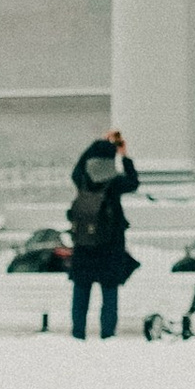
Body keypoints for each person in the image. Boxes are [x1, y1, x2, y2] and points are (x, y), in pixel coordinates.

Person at [66, 130, 139, 340]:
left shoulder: (81, 179)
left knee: (81, 292)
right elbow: (134, 182)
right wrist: (123, 154)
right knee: (109, 292)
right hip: (110, 245)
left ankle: (78, 333)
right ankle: (107, 334)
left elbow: (78, 166)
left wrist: (97, 144)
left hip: (84, 244)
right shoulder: (115, 183)